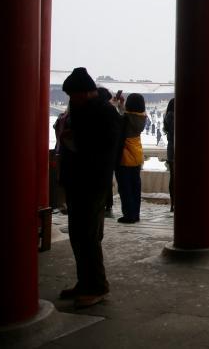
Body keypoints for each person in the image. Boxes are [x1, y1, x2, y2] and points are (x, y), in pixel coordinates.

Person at [58, 67, 122, 308]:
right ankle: (84, 281)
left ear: (85, 93)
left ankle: (97, 285)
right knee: (77, 235)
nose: (70, 100)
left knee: (88, 236)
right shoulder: (82, 110)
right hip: (76, 179)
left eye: (73, 95)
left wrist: (75, 142)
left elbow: (104, 151)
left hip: (93, 182)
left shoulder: (105, 113)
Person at [114, 93, 147, 224]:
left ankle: (128, 215)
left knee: (125, 187)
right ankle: (136, 213)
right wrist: (121, 105)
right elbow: (126, 115)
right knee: (135, 187)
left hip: (125, 157)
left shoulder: (126, 119)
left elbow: (119, 117)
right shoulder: (141, 118)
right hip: (137, 155)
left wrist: (116, 103)